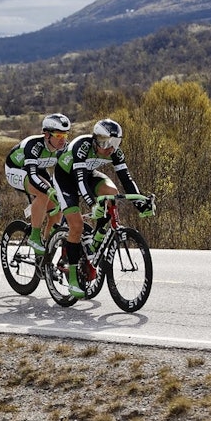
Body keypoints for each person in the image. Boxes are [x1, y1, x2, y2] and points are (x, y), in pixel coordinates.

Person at [51, 117, 149, 298]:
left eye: (116, 143)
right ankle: (73, 277)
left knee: (112, 194)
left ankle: (95, 241)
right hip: (66, 179)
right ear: (97, 140)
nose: (111, 148)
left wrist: (141, 203)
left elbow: (126, 179)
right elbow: (80, 182)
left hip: (88, 175)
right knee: (77, 225)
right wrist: (93, 204)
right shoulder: (82, 146)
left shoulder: (114, 152)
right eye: (108, 143)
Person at [3, 113, 70, 253]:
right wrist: (48, 190)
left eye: (65, 135)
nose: (62, 139)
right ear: (47, 135)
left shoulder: (64, 149)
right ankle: (34, 237)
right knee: (44, 193)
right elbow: (32, 175)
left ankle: (46, 248)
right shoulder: (33, 145)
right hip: (16, 169)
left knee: (56, 208)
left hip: (38, 170)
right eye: (58, 135)